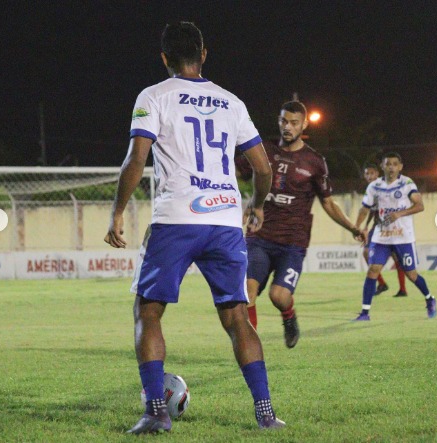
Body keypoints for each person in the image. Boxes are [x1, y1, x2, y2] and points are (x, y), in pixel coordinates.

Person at [104, 22, 285, 433]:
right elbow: (262, 167)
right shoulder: (230, 102)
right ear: (204, 54)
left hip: (176, 219)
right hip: (223, 221)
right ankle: (265, 414)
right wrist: (255, 205)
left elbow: (136, 160)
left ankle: (155, 411)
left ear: (165, 58)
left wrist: (117, 212)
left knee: (148, 310)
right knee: (238, 316)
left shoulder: (154, 96)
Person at [235, 101, 364, 348]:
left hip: (293, 243)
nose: (288, 127)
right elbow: (232, 171)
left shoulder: (315, 161)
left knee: (279, 296)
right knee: (247, 292)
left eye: (294, 122)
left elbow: (328, 203)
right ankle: (250, 350)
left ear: (304, 124)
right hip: (259, 237)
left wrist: (352, 227)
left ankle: (289, 316)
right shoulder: (264, 150)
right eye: (284, 121)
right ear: (279, 120)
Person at [353, 152, 437, 321]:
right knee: (373, 270)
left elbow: (419, 205)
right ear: (382, 167)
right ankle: (365, 313)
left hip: (403, 237)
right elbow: (365, 208)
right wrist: (357, 228)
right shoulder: (374, 186)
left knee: (411, 274)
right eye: (388, 164)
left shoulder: (406, 183)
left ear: (400, 167)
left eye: (394, 164)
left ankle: (429, 299)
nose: (391, 167)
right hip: (381, 237)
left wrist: (401, 213)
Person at [362, 163, 408, 297]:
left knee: (396, 257)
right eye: (367, 174)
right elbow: (372, 210)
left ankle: (402, 289)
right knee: (366, 253)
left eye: (372, 173)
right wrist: (366, 226)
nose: (369, 176)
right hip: (378, 226)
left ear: (377, 173)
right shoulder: (371, 187)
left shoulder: (382, 186)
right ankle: (382, 283)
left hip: (388, 225)